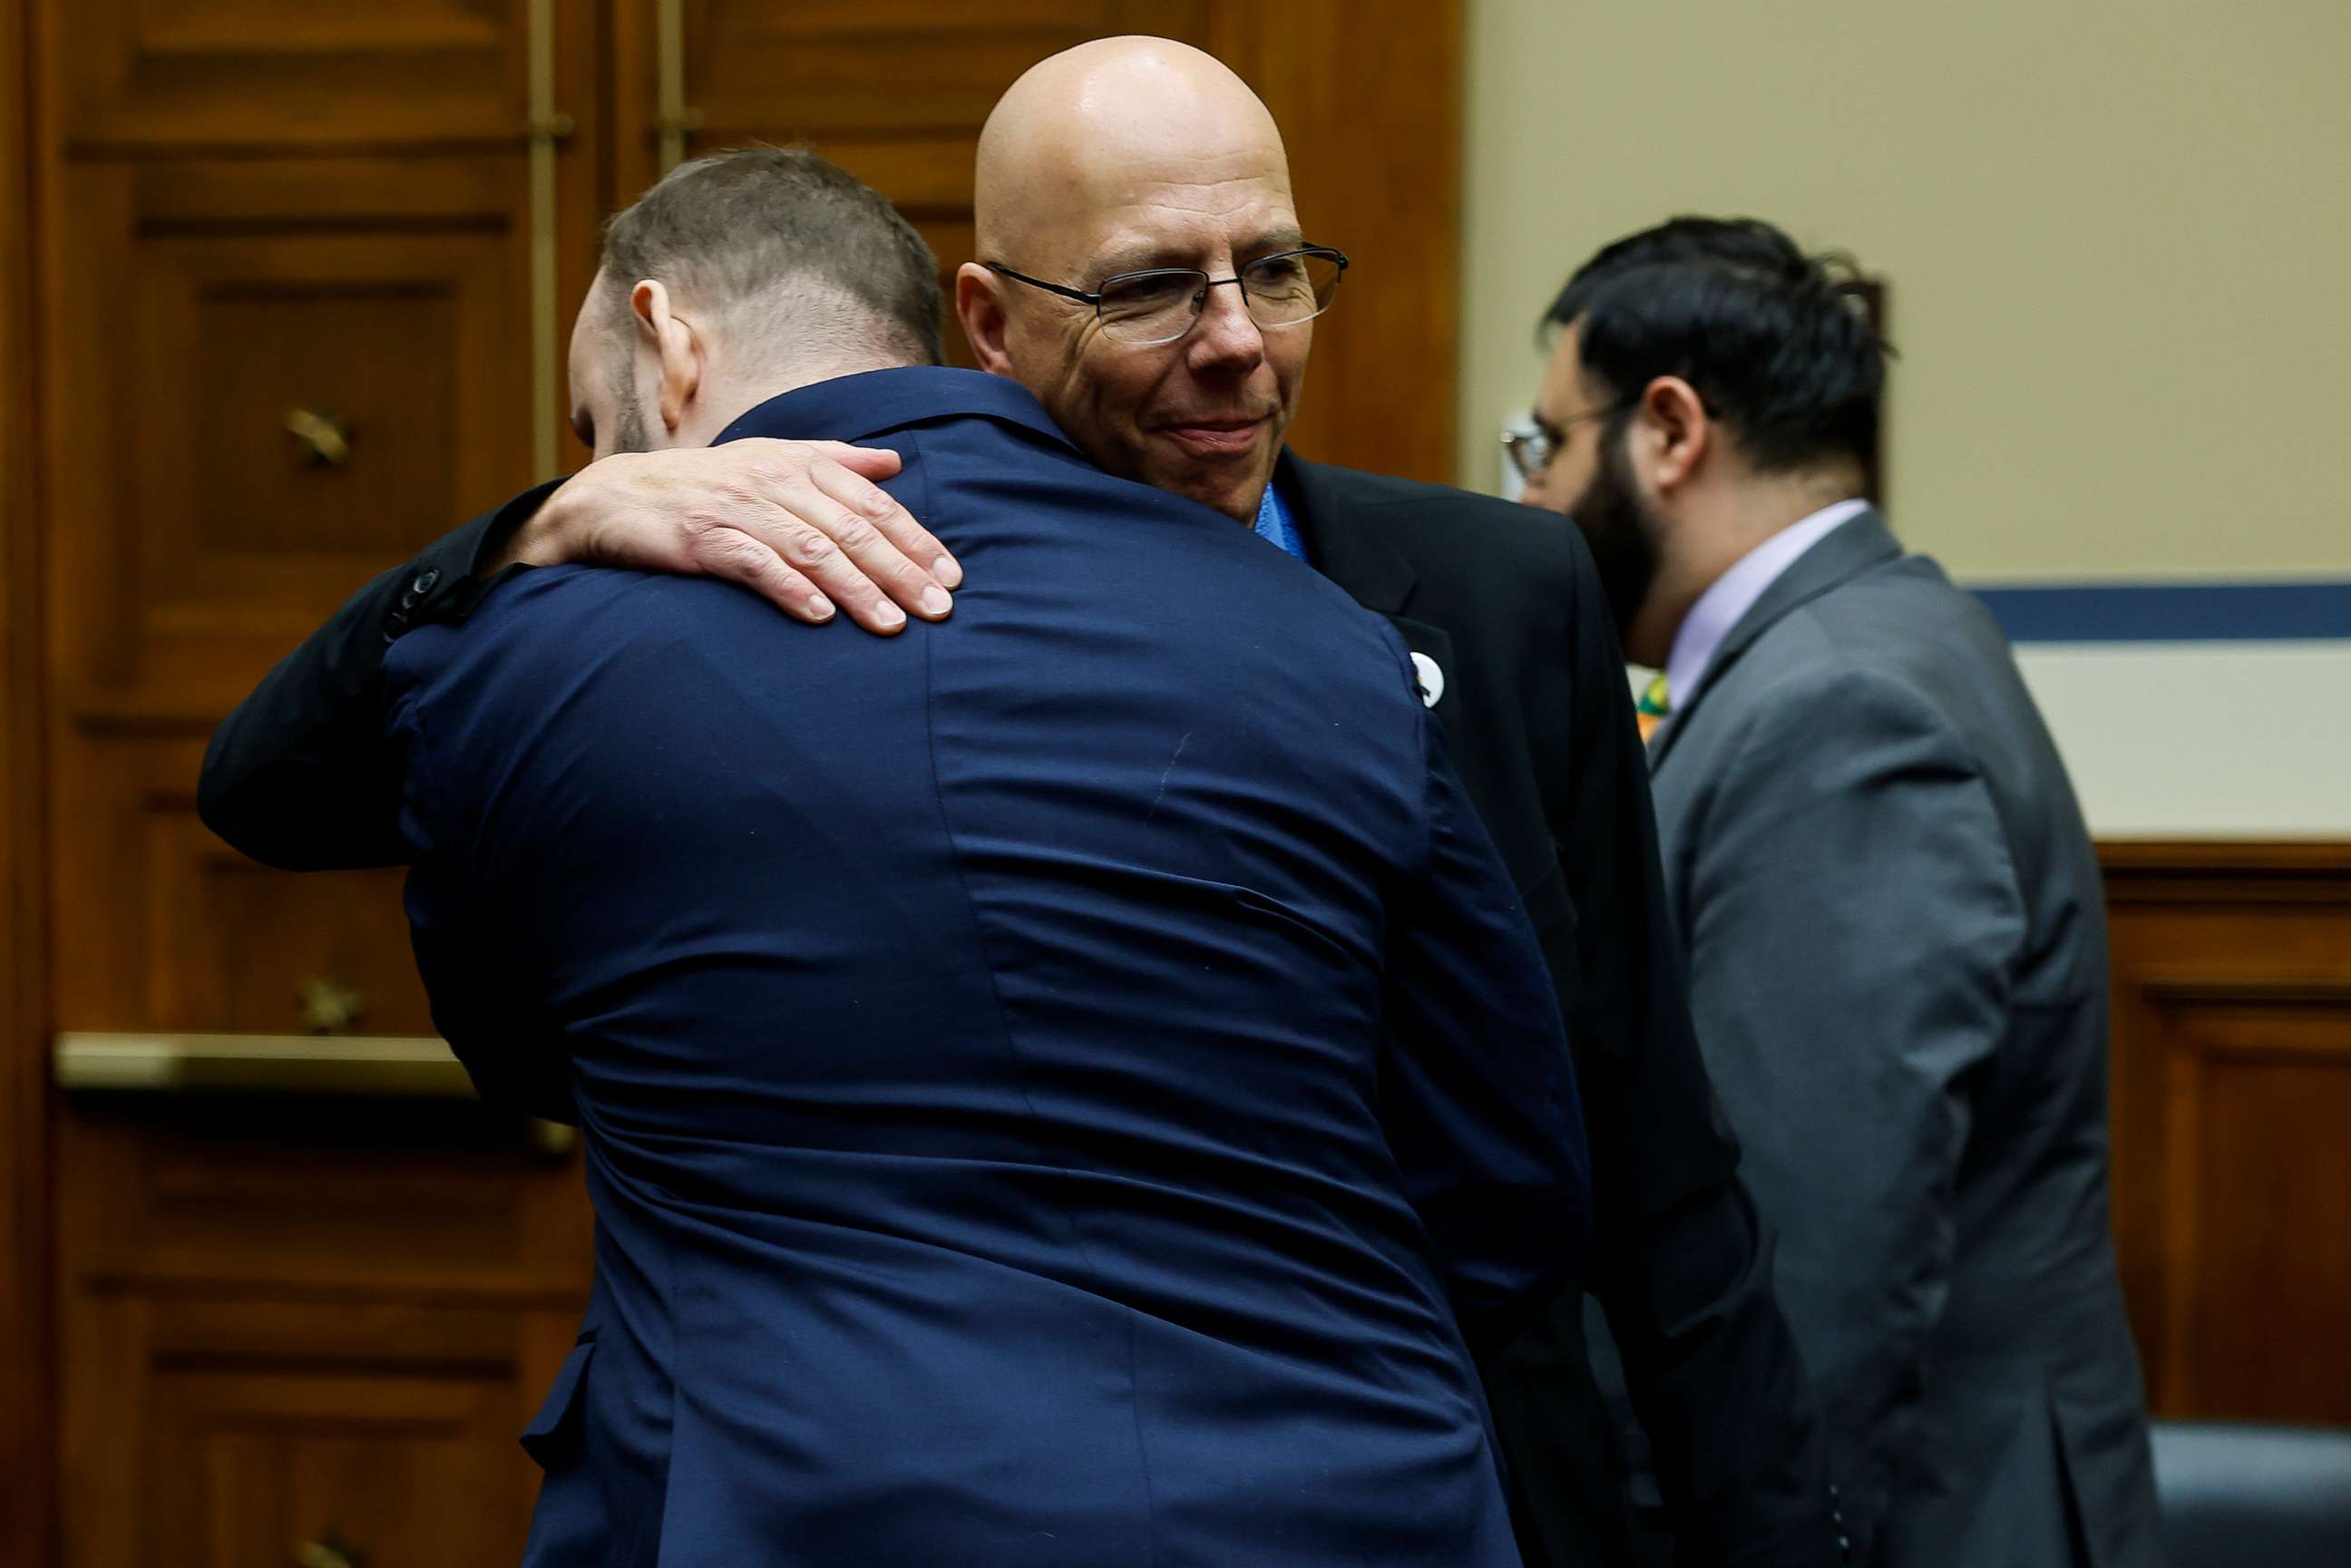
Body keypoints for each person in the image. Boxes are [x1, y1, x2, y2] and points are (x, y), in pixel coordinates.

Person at [201, 39, 1845, 1568]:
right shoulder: (610, 633)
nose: (1235, 339)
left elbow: (1619, 1153)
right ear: (987, 326)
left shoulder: (1468, 607)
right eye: (1147, 287)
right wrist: (552, 519)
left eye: (1275, 271)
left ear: (669, 351)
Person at [401, 142, 1590, 1566]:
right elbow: (1510, 1171)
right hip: (1332, 1498)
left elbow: (522, 1044)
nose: (604, 478)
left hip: (798, 1501)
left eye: (596, 434)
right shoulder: (1333, 641)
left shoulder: (529, 659)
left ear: (668, 352)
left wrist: (538, 532)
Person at [1516, 216, 2163, 1568]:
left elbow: (1807, 1267)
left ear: (1670, 431)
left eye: (1547, 446)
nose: (1532, 501)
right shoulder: (1873, 636)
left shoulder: (1839, 705)